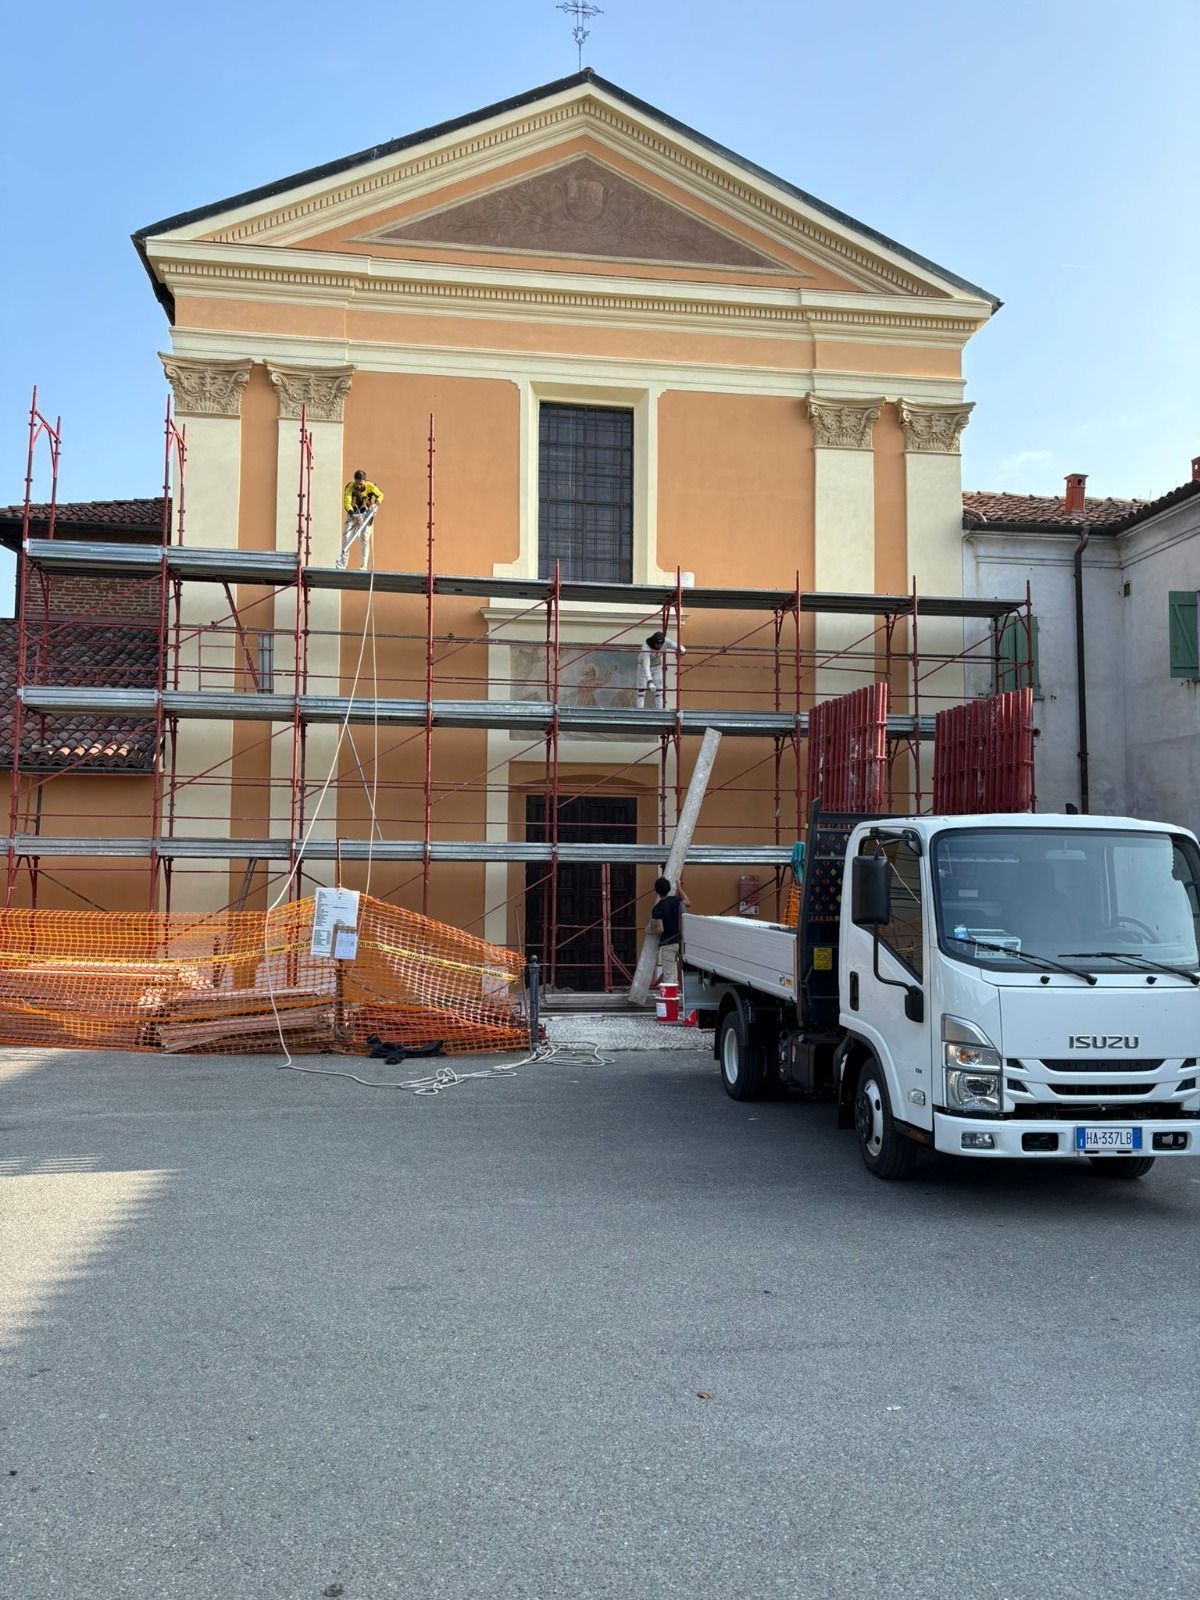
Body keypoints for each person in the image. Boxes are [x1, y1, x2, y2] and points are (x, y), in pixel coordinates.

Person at [337, 470, 384, 570]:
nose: (358, 486)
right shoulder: (350, 487)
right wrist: (353, 515)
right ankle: (342, 564)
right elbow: (347, 503)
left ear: (364, 481)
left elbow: (380, 495)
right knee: (346, 538)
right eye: (357, 483)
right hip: (353, 514)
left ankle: (363, 565)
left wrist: (376, 505)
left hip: (366, 514)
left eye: (360, 484)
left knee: (364, 538)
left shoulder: (370, 486)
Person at [647, 874, 690, 987]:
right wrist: (679, 888)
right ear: (669, 889)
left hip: (668, 944)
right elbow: (688, 902)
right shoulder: (676, 901)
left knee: (669, 978)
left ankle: (671, 1002)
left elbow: (660, 929)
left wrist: (649, 930)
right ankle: (675, 998)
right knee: (674, 974)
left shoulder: (657, 909)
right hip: (679, 942)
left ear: (657, 891)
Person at [636, 631, 684, 709]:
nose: (660, 646)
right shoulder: (646, 646)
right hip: (643, 668)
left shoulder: (666, 641)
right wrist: (650, 681)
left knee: (659, 690)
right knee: (641, 690)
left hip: (657, 666)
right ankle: (639, 710)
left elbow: (675, 645)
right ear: (654, 642)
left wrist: (682, 649)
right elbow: (646, 665)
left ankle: (660, 710)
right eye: (658, 644)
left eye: (661, 644)